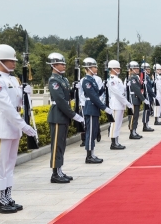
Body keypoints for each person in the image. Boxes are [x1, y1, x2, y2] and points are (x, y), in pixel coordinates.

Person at [0, 45, 37, 213]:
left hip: (13, 126)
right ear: (0, 61)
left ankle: (7, 197)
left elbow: (18, 104)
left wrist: (26, 94)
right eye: (10, 60)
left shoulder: (14, 80)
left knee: (9, 165)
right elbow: (6, 108)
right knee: (0, 165)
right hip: (4, 126)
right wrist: (23, 125)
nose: (14, 63)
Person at [47, 52, 84, 184]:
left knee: (61, 145)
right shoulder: (54, 80)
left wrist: (75, 90)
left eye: (64, 64)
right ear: (53, 65)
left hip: (63, 116)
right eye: (61, 64)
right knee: (56, 145)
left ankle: (59, 170)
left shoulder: (64, 80)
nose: (64, 66)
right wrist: (74, 115)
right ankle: (55, 173)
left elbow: (68, 97)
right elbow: (61, 101)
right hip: (57, 115)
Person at [81, 58, 112, 164]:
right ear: (89, 68)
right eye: (94, 67)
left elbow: (97, 93)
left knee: (94, 132)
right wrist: (104, 108)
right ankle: (88, 156)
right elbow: (93, 97)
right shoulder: (86, 81)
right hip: (90, 107)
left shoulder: (93, 80)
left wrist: (104, 88)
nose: (96, 68)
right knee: (90, 133)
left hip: (94, 108)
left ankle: (92, 153)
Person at [107, 60, 132, 150]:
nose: (119, 69)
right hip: (115, 105)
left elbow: (122, 91)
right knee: (114, 124)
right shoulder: (111, 79)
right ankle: (113, 143)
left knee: (118, 124)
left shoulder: (117, 79)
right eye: (117, 68)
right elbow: (117, 93)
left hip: (120, 104)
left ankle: (116, 141)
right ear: (112, 69)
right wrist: (127, 103)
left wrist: (126, 86)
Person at [126, 61, 147, 139]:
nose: (138, 69)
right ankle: (132, 132)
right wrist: (144, 99)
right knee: (133, 117)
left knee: (136, 116)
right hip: (133, 99)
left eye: (138, 68)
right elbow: (136, 90)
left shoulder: (135, 77)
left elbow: (139, 87)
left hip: (136, 99)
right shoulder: (132, 78)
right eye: (136, 68)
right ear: (132, 69)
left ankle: (134, 131)